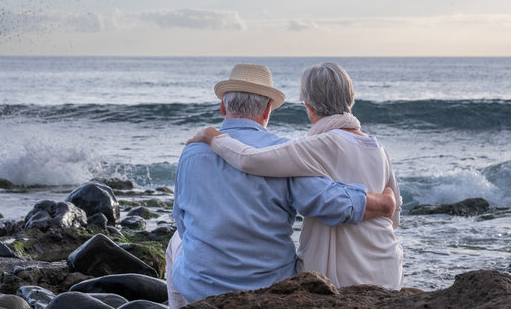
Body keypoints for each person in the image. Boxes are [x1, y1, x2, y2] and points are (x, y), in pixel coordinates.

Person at [167, 64, 396, 308]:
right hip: (270, 287)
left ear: (223, 106)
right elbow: (332, 204)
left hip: (200, 287)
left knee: (175, 243)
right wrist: (382, 203)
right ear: (268, 109)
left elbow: (181, 219)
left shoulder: (192, 151)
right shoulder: (283, 154)